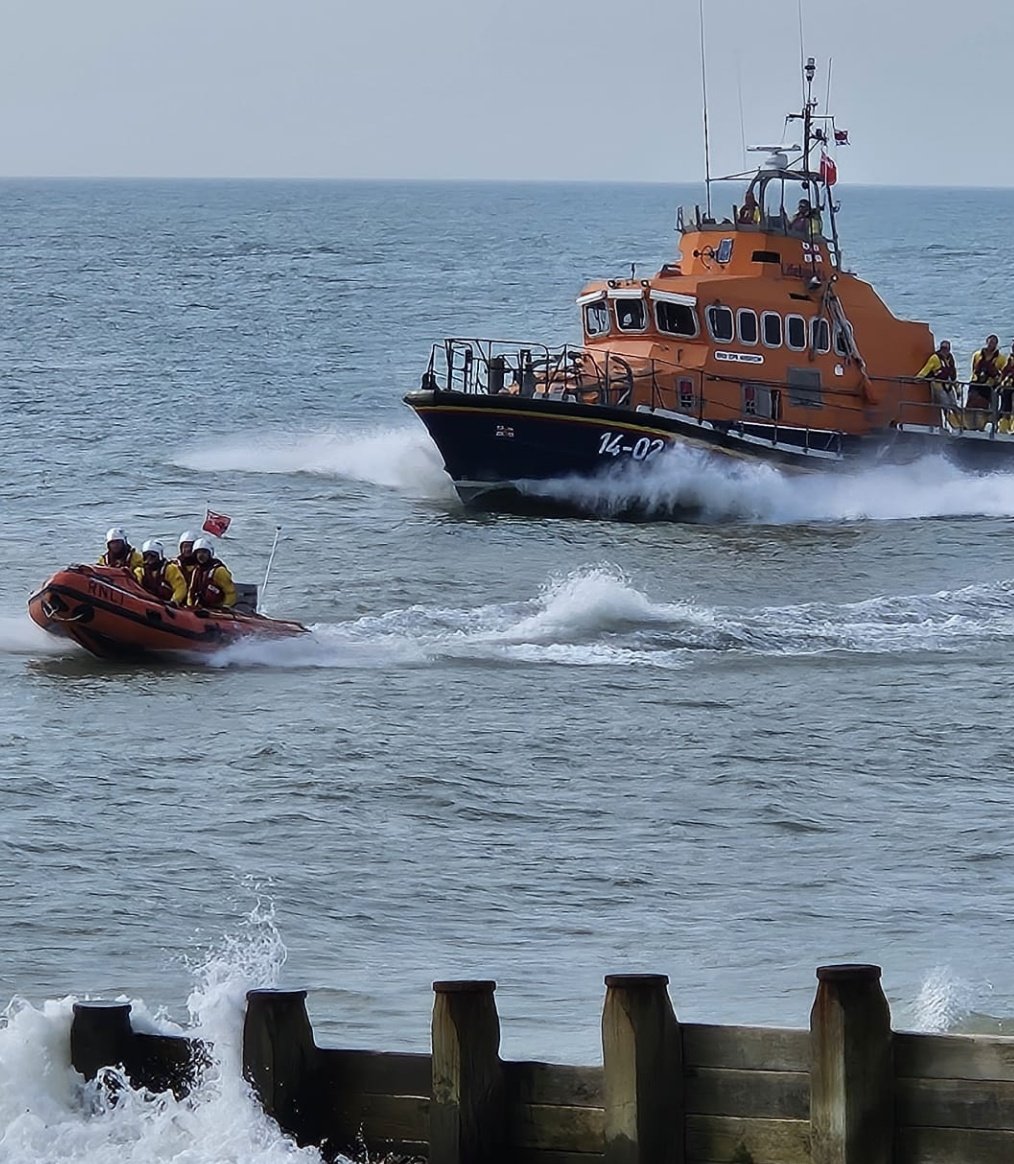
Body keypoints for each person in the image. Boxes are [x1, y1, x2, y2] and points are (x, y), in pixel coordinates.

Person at [968, 334, 1006, 430]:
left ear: (996, 344)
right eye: (989, 342)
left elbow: (1003, 374)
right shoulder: (977, 355)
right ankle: (969, 425)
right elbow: (973, 368)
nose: (990, 345)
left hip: (990, 386)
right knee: (971, 404)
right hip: (976, 383)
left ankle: (986, 427)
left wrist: (996, 377)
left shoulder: (1001, 358)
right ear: (986, 342)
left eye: (993, 343)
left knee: (987, 407)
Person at [187, 537, 237, 609]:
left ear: (209, 554)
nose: (201, 555)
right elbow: (191, 592)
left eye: (204, 552)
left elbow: (230, 592)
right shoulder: (196, 571)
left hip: (218, 608)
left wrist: (226, 606)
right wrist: (190, 606)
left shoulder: (219, 571)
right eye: (199, 552)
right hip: (201, 608)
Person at [134, 540, 187, 604]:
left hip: (167, 603)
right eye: (146, 556)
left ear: (159, 556)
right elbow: (135, 585)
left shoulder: (170, 569)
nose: (149, 559)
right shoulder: (140, 571)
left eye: (152, 556)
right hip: (147, 603)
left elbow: (180, 587)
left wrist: (174, 601)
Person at [916, 340, 959, 418]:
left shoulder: (950, 358)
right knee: (945, 405)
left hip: (948, 384)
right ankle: (947, 422)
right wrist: (918, 378)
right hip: (938, 384)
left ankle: (959, 424)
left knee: (954, 405)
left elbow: (953, 373)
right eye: (943, 348)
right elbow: (926, 369)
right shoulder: (935, 358)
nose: (944, 351)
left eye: (946, 349)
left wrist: (957, 388)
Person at [999, 341, 1014, 433]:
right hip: (1008, 387)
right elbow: (1004, 372)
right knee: (1005, 407)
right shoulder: (1009, 359)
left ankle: (1012, 428)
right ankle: (1003, 428)